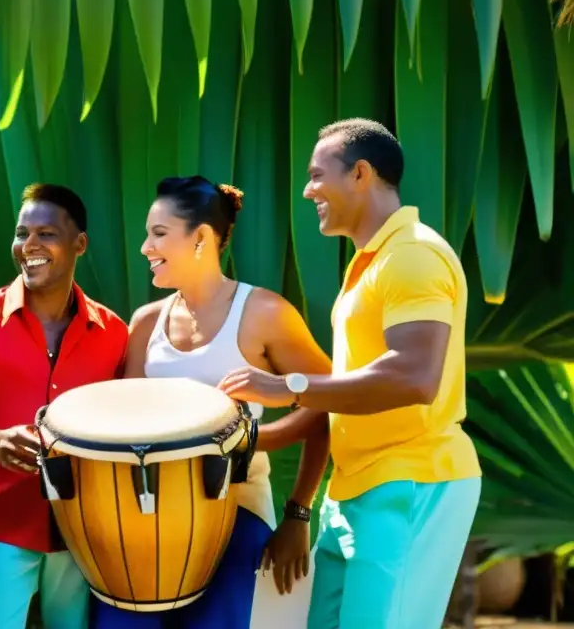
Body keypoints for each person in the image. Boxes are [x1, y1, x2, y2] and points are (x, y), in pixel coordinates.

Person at [222, 118, 482, 629]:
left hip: (410, 479)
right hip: (352, 491)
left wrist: (287, 386)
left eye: (318, 175)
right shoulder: (370, 262)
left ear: (360, 173)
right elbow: (360, 380)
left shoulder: (412, 255)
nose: (307, 190)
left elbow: (414, 376)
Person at [92, 176, 332, 629]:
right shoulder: (145, 324)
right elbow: (118, 432)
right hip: (146, 523)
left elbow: (329, 401)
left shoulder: (264, 313)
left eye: (159, 234)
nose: (145, 247)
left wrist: (297, 513)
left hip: (236, 515)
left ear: (201, 237)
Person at [0, 183, 129, 629]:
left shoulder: (113, 332)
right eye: (22, 233)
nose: (29, 246)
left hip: (82, 528)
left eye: (46, 234)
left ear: (80, 244)